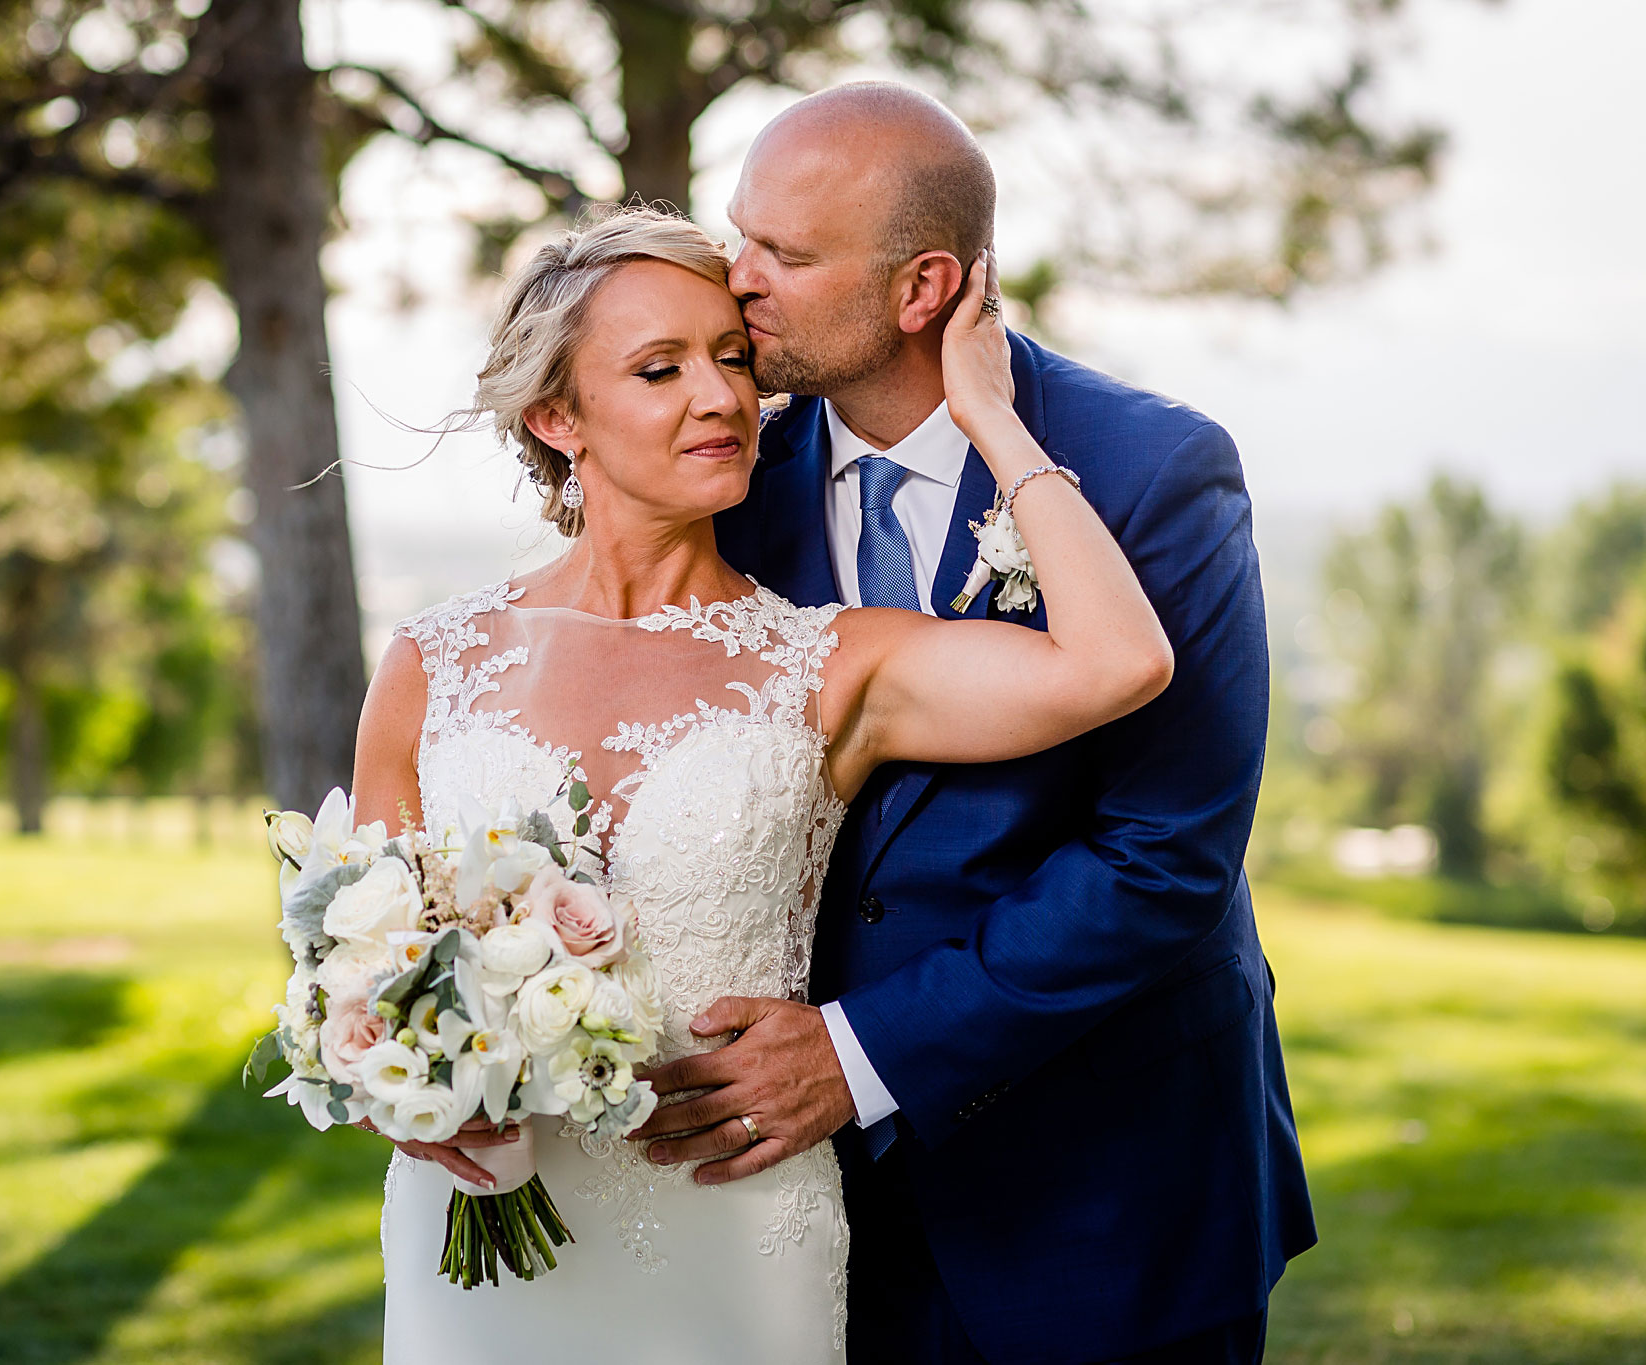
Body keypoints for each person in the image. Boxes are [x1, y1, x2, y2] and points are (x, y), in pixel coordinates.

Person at [349, 187, 1173, 1362]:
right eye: (658, 370)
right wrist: (397, 1087)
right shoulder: (432, 663)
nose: (720, 397)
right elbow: (365, 956)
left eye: (732, 359)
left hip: (729, 1226)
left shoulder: (824, 662)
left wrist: (985, 412)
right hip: (473, 1216)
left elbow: (1118, 661)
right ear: (555, 418)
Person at [636, 83, 1317, 1363]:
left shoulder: (1149, 470)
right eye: (738, 235)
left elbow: (1165, 857)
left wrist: (858, 1052)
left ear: (921, 288)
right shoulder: (731, 477)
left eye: (783, 253)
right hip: (815, 1209)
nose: (735, 280)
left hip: (1110, 1189)